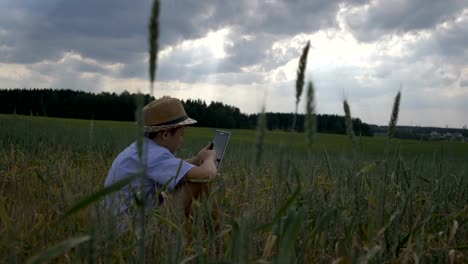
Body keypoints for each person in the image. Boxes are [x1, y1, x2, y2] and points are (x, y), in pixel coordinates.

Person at [104, 97, 218, 224]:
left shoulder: (143, 149)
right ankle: (212, 228)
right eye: (181, 135)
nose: (181, 141)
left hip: (117, 223)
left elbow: (175, 168)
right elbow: (206, 174)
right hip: (130, 228)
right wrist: (210, 158)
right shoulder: (154, 155)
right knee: (197, 181)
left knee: (187, 179)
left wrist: (197, 159)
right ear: (165, 134)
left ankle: (204, 226)